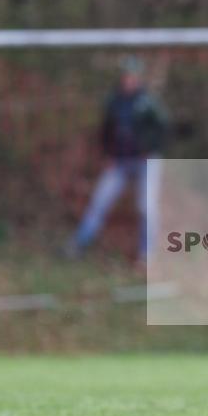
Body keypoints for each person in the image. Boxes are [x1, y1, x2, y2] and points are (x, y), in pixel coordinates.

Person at [66, 56, 170, 262]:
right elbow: (105, 131)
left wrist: (149, 149)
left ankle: (148, 255)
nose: (129, 80)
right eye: (126, 76)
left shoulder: (148, 102)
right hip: (120, 162)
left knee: (146, 206)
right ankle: (78, 244)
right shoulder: (114, 102)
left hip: (145, 162)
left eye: (133, 76)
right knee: (99, 202)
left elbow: (163, 130)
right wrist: (108, 154)